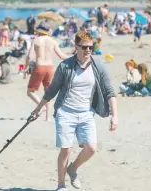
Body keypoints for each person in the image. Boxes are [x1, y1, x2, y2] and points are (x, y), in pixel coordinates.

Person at [30, 30, 118, 191]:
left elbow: (110, 92)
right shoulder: (65, 66)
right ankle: (61, 185)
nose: (88, 51)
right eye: (84, 47)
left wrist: (115, 116)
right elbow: (52, 90)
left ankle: (72, 169)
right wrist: (37, 109)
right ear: (76, 47)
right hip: (65, 112)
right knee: (66, 149)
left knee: (91, 148)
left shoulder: (99, 67)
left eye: (91, 47)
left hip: (86, 113)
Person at [24, 22, 70, 121]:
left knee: (30, 91)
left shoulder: (36, 40)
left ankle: (41, 106)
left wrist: (26, 67)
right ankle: (47, 118)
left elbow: (29, 56)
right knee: (48, 92)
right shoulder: (53, 41)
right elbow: (61, 56)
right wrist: (75, 58)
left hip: (39, 67)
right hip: (50, 67)